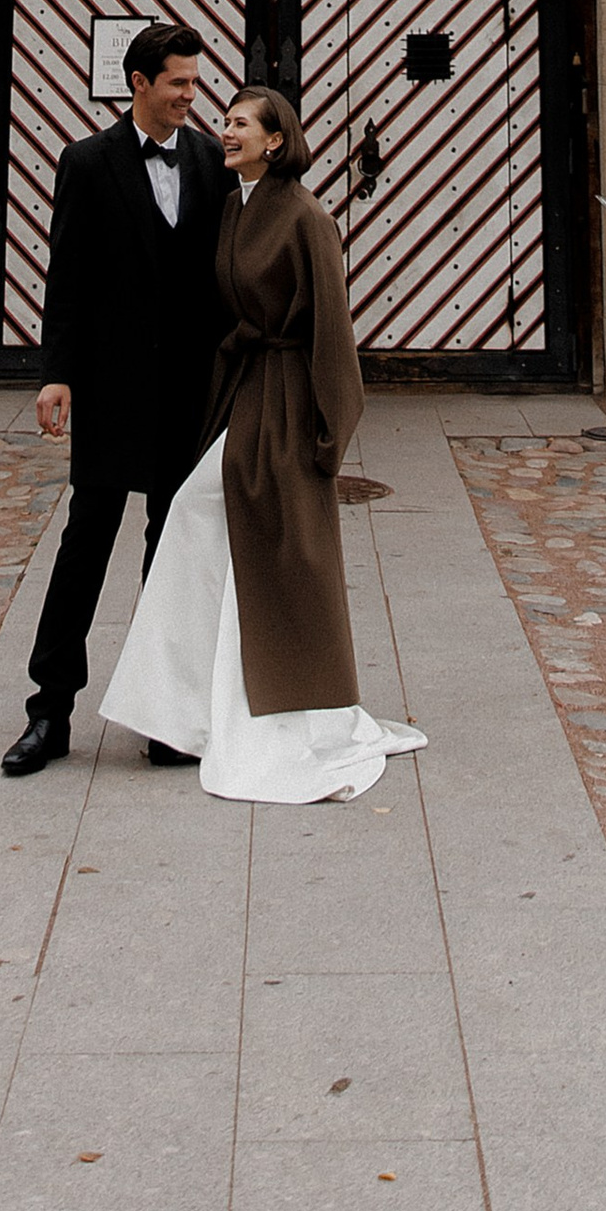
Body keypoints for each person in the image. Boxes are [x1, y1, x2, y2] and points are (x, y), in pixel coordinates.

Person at [100, 83, 427, 804]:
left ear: (277, 140)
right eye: (224, 121)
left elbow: (332, 332)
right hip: (245, 390)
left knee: (242, 534)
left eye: (241, 124)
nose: (226, 131)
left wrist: (328, 432)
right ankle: (187, 709)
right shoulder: (235, 207)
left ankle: (268, 711)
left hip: (286, 396)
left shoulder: (306, 215)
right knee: (204, 524)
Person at [0, 17, 224, 777]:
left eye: (195, 82)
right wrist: (55, 372)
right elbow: (67, 277)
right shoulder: (87, 162)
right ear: (139, 85)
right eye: (178, 83)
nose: (191, 97)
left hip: (188, 392)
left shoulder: (207, 160)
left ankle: (164, 717)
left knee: (171, 552)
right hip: (110, 385)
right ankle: (49, 712)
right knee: (85, 544)